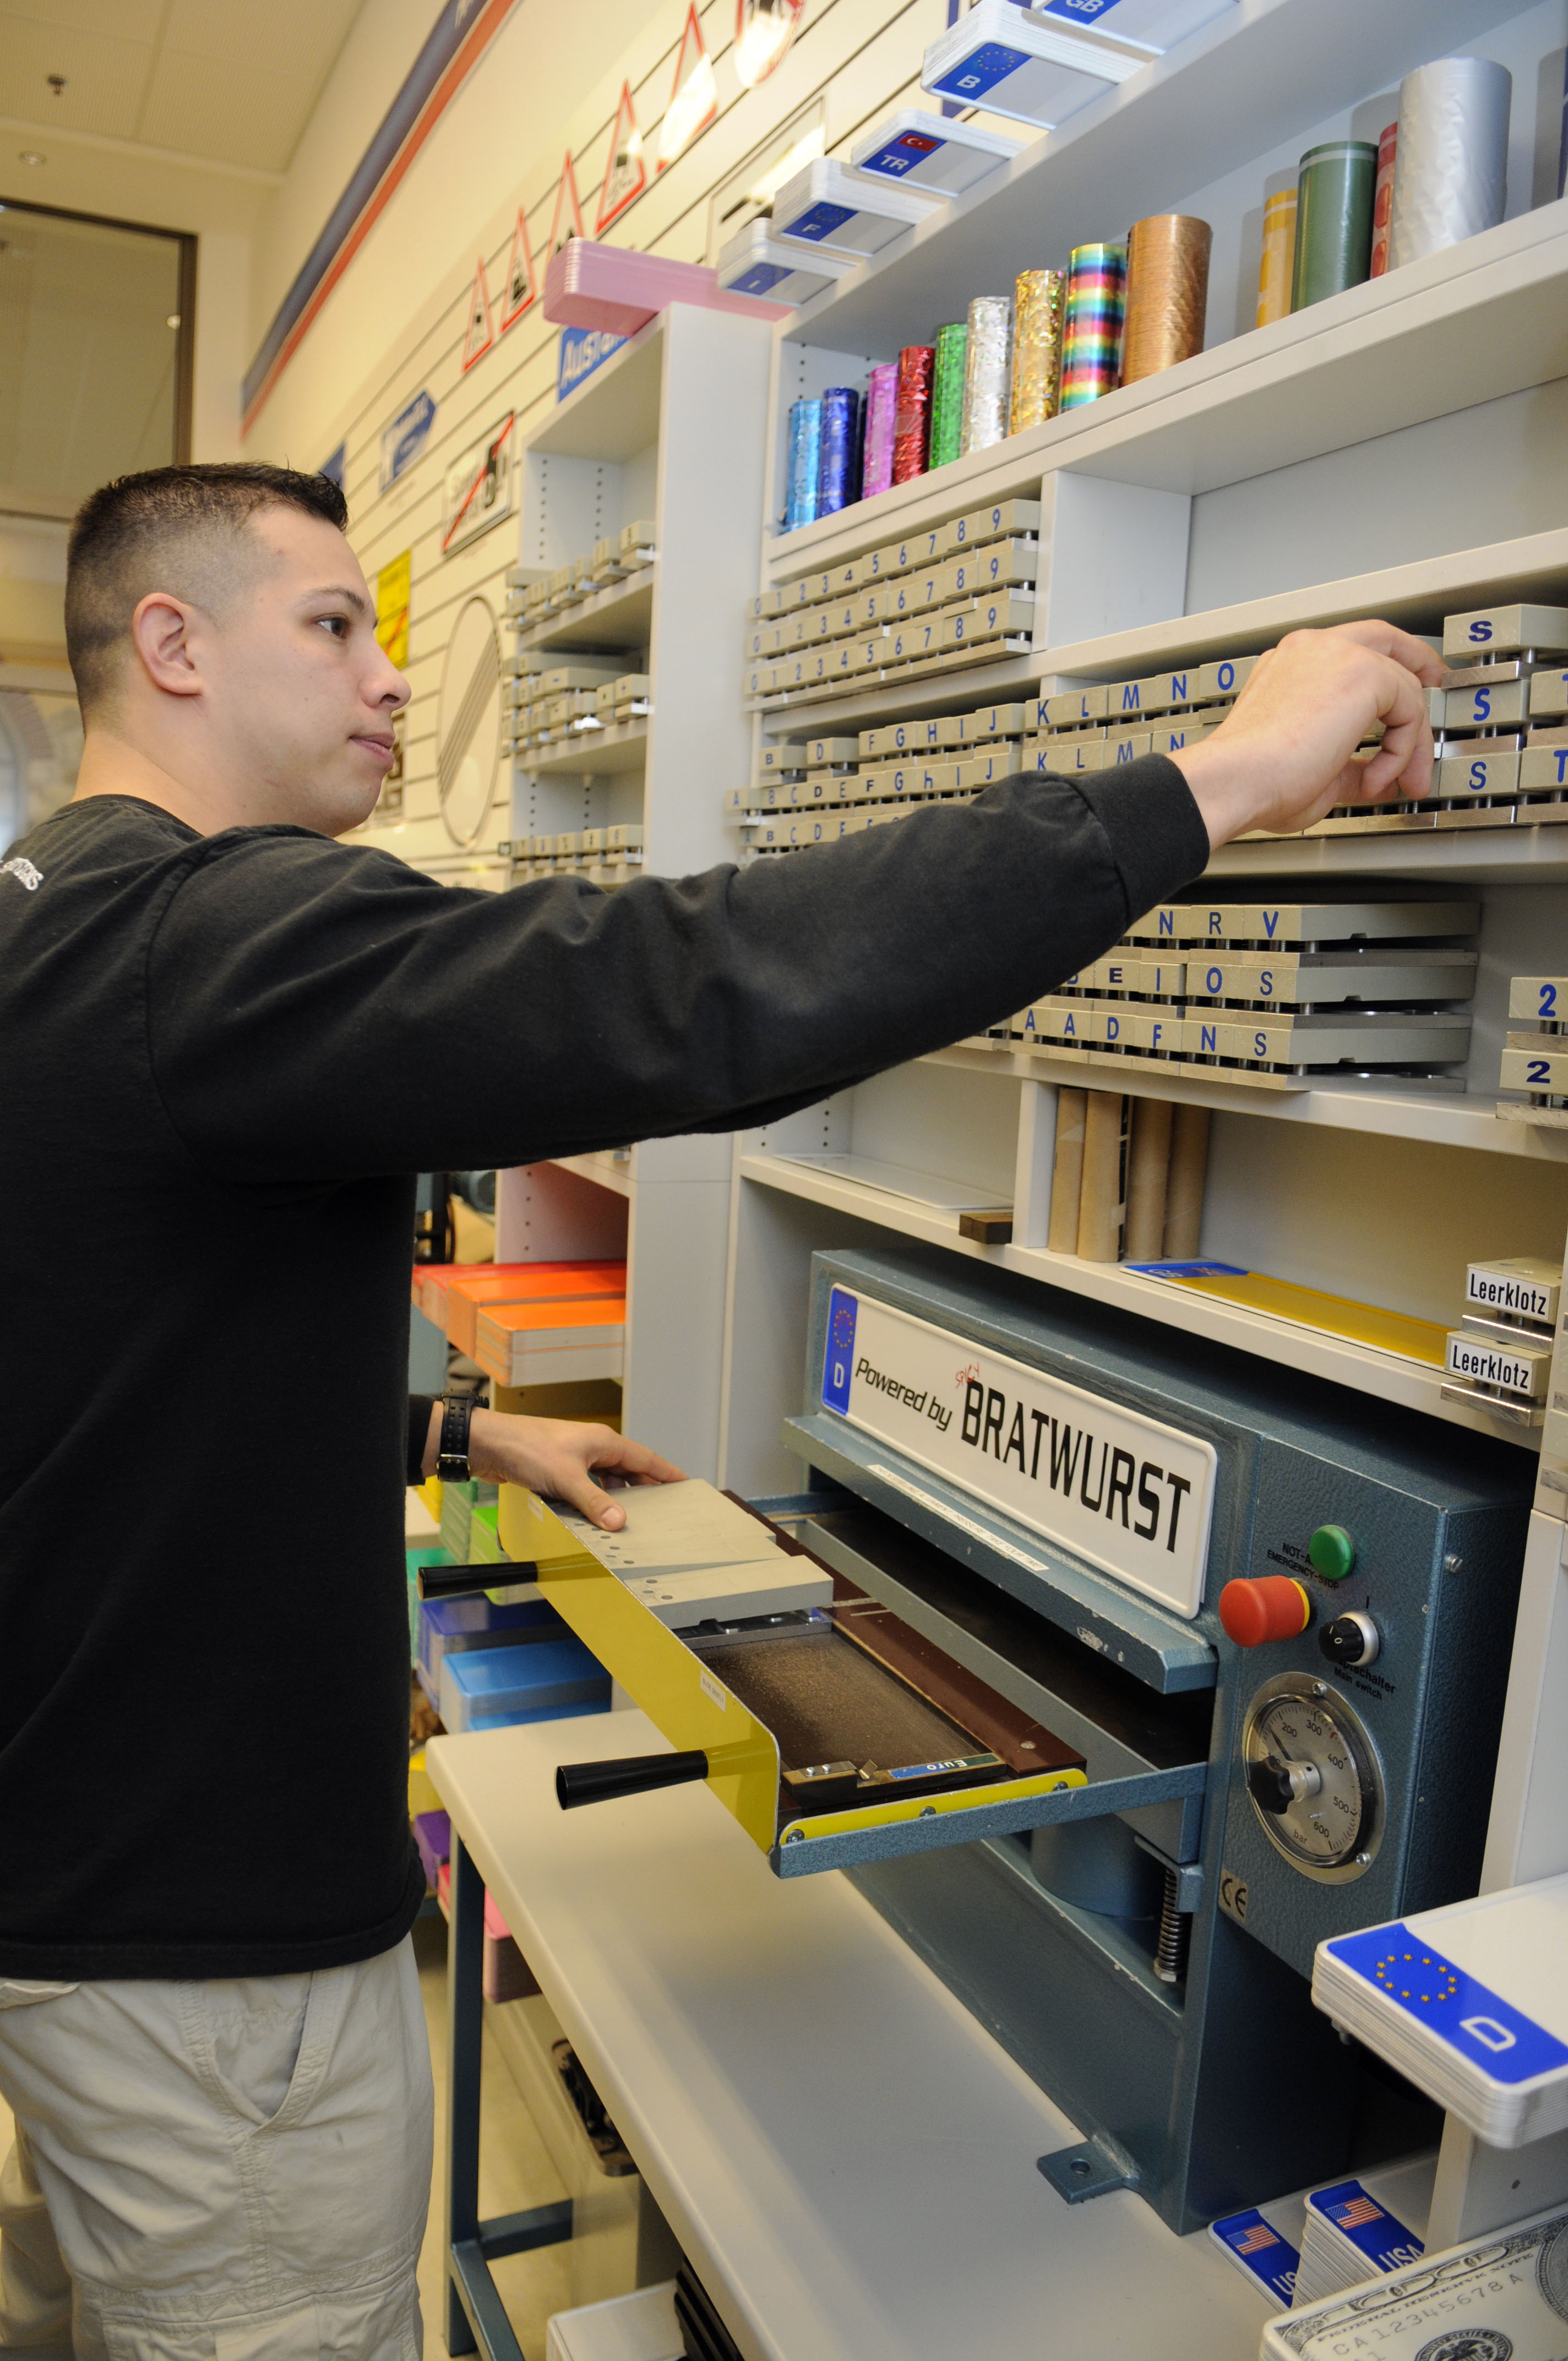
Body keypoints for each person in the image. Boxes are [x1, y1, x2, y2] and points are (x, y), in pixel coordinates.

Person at [0, 461, 1444, 2360]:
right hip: (205, 1949)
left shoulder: (51, 923)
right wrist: (1221, 777)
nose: (391, 677)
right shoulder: (206, 938)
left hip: (74, 1868)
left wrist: (454, 1439)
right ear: (172, 646)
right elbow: (693, 984)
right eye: (333, 625)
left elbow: (100, 1348)